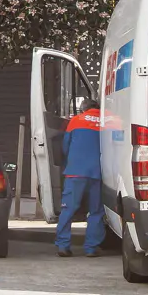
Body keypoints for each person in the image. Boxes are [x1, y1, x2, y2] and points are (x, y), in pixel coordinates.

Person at [55, 95, 105, 258]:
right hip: (98, 173)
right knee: (96, 211)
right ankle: (91, 248)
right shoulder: (107, 122)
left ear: (83, 109)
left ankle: (63, 245)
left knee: (68, 209)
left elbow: (65, 146)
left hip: (75, 172)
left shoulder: (76, 121)